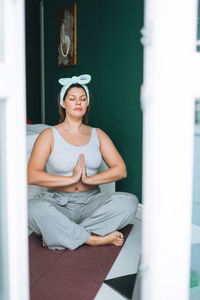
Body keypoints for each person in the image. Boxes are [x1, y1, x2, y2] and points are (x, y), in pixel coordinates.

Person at [28, 74, 138, 250]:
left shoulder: (98, 134)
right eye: (72, 99)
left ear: (87, 104)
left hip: (91, 203)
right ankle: (92, 238)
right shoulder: (48, 135)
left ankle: (61, 235)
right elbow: (31, 175)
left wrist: (89, 180)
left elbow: (120, 170)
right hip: (57, 203)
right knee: (32, 208)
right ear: (63, 103)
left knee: (129, 202)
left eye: (83, 99)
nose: (78, 102)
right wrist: (70, 179)